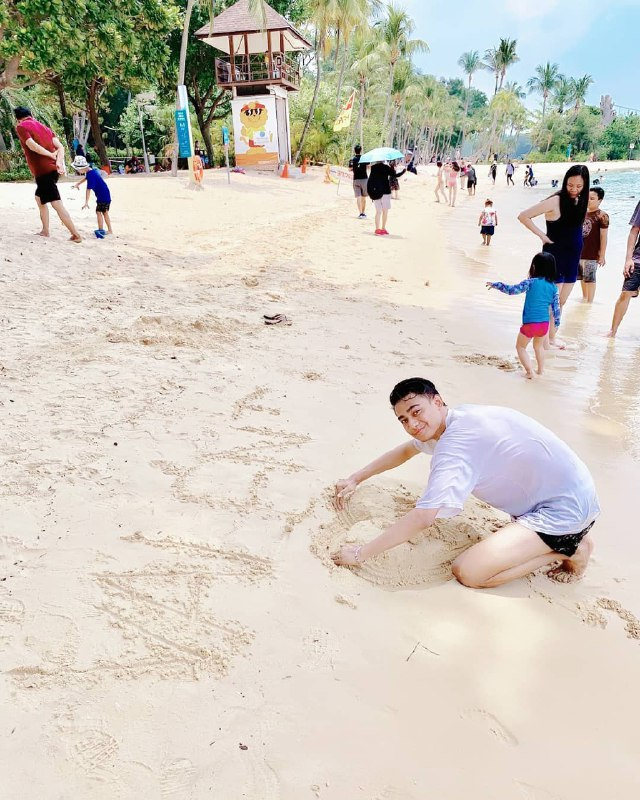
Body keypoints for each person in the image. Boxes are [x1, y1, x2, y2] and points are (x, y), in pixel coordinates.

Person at [332, 378, 599, 588]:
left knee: (470, 572)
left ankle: (569, 550)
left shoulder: (457, 443)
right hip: (571, 493)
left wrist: (360, 554)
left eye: (416, 412)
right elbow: (405, 451)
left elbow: (424, 516)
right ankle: (544, 537)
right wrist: (356, 477)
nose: (412, 424)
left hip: (563, 512)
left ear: (437, 401)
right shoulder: (458, 417)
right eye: (404, 420)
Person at [518, 165, 590, 345]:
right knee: (549, 302)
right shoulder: (555, 201)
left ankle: (551, 338)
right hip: (553, 258)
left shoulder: (581, 201)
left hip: (572, 259)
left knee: (561, 302)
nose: (574, 189)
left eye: (579, 186)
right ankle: (543, 343)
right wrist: (542, 236)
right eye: (570, 185)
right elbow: (524, 216)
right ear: (565, 182)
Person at [487, 252, 561, 379]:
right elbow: (556, 309)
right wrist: (557, 323)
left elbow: (512, 290)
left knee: (520, 347)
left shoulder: (530, 283)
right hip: (544, 325)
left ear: (534, 267)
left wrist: (497, 285)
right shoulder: (554, 288)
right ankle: (540, 371)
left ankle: (529, 372)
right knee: (538, 347)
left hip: (530, 324)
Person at [14, 106, 82, 243]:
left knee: (56, 203)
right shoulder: (44, 127)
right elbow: (60, 147)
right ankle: (45, 230)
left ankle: (76, 235)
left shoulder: (21, 127)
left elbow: (32, 145)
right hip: (51, 170)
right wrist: (59, 162)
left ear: (18, 119)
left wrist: (50, 155)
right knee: (39, 199)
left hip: (43, 171)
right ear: (31, 114)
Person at [606, 200, 640, 337]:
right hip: (638, 259)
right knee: (625, 293)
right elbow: (634, 231)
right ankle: (612, 332)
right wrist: (628, 259)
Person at [578, 187, 609, 303]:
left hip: (592, 253)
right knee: (582, 277)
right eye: (587, 198)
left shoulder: (602, 216)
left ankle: (589, 302)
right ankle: (584, 298)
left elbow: (603, 237)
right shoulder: (581, 213)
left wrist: (602, 255)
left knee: (590, 278)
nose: (588, 201)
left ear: (599, 200)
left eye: (592, 199)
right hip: (579, 251)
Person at [71, 155, 113, 236]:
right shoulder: (90, 171)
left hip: (103, 196)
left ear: (82, 168)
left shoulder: (91, 175)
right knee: (103, 212)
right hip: (104, 194)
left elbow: (88, 190)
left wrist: (86, 202)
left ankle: (104, 230)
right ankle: (106, 229)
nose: (77, 171)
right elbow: (86, 178)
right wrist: (78, 183)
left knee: (100, 212)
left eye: (77, 170)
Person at [367, 160, 393, 236]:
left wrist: (371, 192)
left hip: (376, 192)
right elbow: (394, 174)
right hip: (385, 191)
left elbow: (370, 180)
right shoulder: (386, 167)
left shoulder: (373, 167)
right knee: (385, 212)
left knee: (378, 212)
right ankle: (383, 228)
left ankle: (377, 229)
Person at [349, 144, 368, 218]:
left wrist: (355, 168)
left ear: (354, 151)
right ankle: (363, 212)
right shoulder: (364, 159)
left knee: (358, 197)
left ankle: (360, 213)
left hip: (356, 179)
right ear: (361, 150)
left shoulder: (352, 160)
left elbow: (350, 169)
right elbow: (368, 165)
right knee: (364, 197)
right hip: (364, 179)